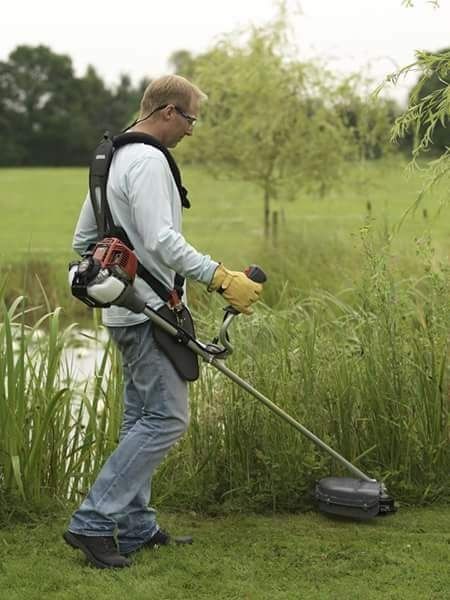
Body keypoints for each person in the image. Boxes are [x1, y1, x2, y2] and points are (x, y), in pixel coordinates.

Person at [63, 74, 263, 569]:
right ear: (168, 112)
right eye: (190, 118)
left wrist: (114, 275)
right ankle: (92, 522)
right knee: (167, 419)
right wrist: (220, 276)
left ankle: (135, 527)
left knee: (140, 417)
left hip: (124, 310)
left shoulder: (111, 159)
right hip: (150, 309)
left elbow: (82, 239)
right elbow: (163, 241)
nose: (191, 130)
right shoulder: (149, 161)